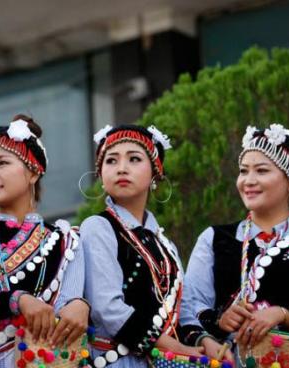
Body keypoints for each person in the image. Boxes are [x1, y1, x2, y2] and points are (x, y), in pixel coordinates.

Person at [0, 116, 89, 367]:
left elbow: (69, 303)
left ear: (34, 172)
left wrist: (80, 305)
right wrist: (19, 300)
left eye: (2, 163)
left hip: (45, 358)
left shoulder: (67, 240)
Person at [180, 124, 289, 367]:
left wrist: (283, 314)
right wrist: (220, 320)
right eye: (243, 171)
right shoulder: (215, 238)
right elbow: (190, 306)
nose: (248, 181)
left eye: (261, 170)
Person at [81, 124, 203, 367]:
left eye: (134, 159)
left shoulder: (165, 244)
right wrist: (170, 346)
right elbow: (106, 308)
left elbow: (184, 307)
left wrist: (203, 339)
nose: (122, 168)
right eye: (111, 161)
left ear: (155, 173)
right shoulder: (98, 227)